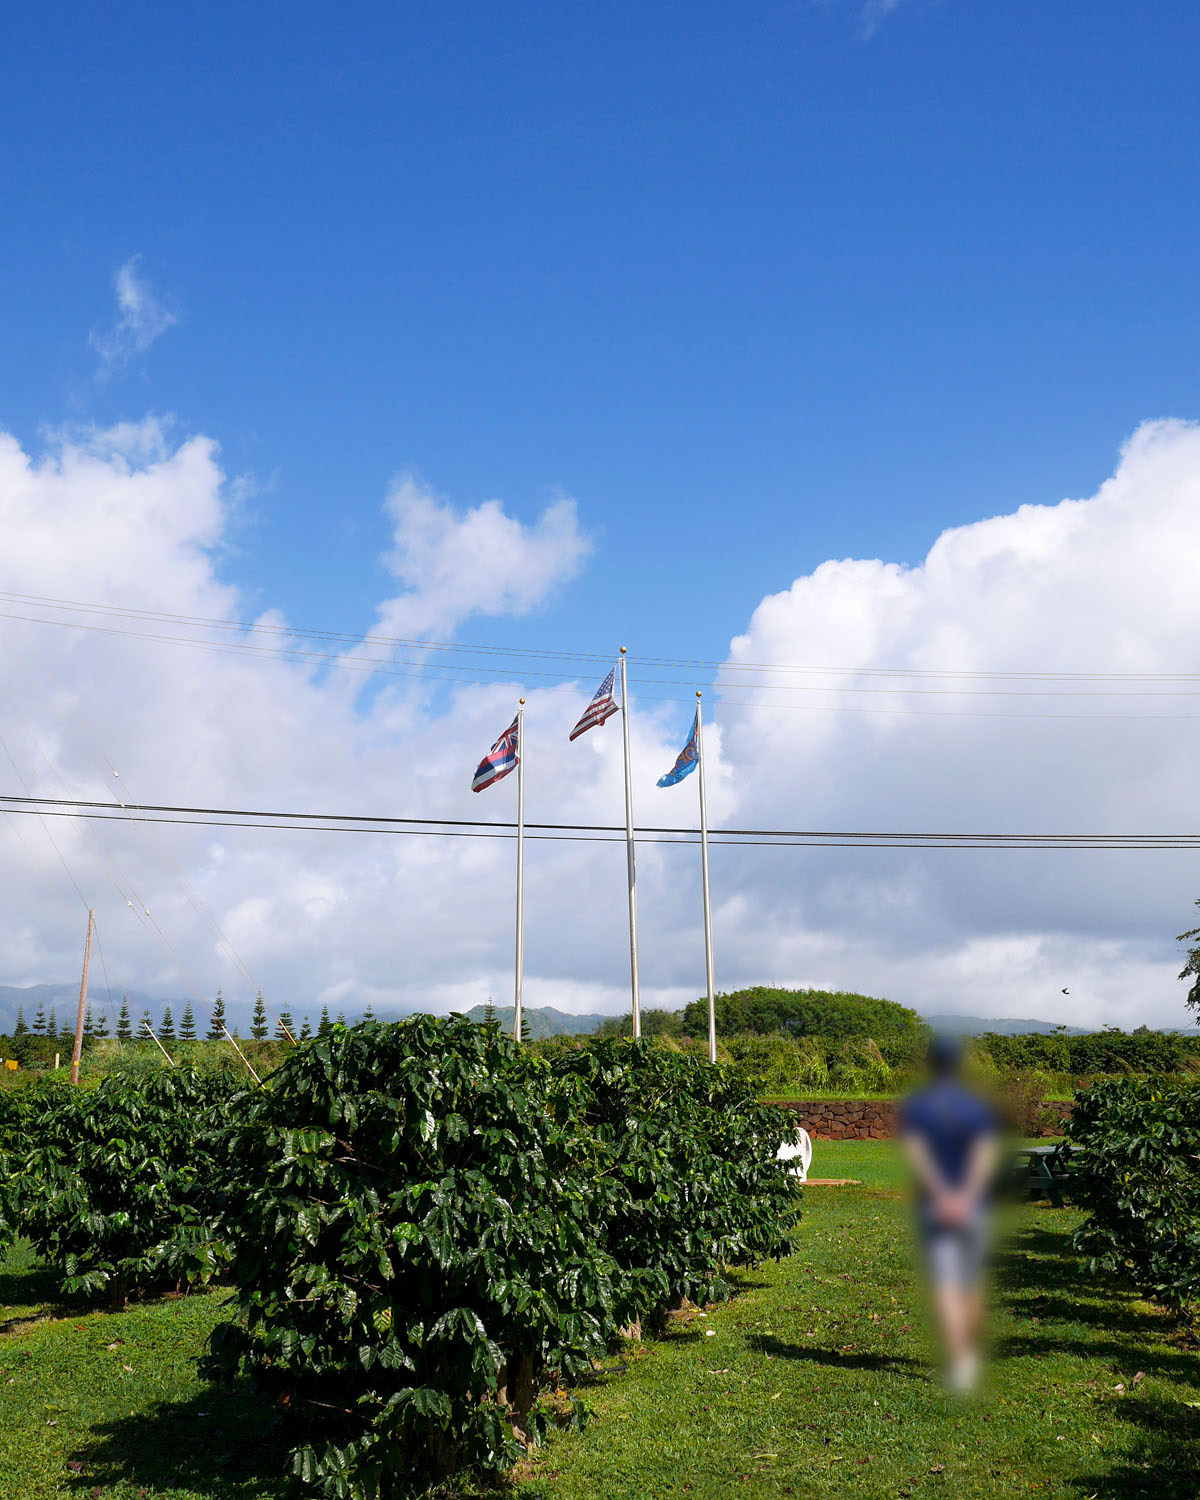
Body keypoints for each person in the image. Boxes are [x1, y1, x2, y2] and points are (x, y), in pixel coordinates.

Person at [899, 1033, 997, 1391]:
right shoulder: (975, 1106)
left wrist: (943, 1195)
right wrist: (967, 1196)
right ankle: (968, 1354)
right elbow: (983, 1155)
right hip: (975, 1207)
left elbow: (917, 1154)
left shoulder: (918, 1107)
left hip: (934, 1206)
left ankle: (959, 1361)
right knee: (969, 1282)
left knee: (944, 1284)